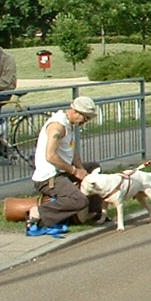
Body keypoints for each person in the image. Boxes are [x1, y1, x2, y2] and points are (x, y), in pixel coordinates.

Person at [29, 96, 101, 228]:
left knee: (94, 168)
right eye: (85, 118)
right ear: (75, 111)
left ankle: (95, 213)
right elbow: (50, 156)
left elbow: (72, 151)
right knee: (79, 200)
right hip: (49, 177)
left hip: (62, 171)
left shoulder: (69, 124)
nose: (85, 122)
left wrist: (82, 170)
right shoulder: (57, 126)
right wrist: (74, 171)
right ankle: (39, 212)